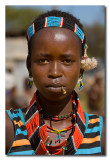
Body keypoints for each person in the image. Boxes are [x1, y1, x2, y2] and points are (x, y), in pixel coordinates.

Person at [6, 10, 103, 155]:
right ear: (29, 66)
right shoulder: (8, 128)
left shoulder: (102, 132)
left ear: (81, 69)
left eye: (67, 61)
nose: (55, 72)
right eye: (43, 60)